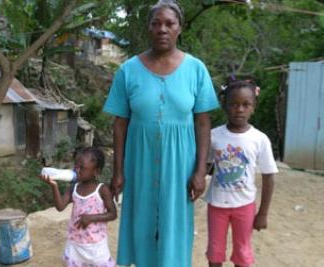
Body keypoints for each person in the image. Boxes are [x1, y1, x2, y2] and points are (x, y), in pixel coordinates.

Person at [102, 0, 219, 266]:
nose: (162, 29)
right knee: (141, 220)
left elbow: (203, 123)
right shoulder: (128, 70)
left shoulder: (196, 69)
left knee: (175, 223)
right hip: (139, 162)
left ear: (180, 28)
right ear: (148, 28)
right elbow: (120, 124)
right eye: (156, 23)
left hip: (181, 165)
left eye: (169, 23)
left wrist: (201, 171)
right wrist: (118, 170)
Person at [204, 79, 278, 267]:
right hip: (216, 205)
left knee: (242, 252)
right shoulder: (213, 136)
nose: (240, 110)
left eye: (246, 105)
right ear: (224, 105)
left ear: (254, 107)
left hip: (245, 206)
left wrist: (263, 213)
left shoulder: (259, 139)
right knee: (215, 252)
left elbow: (269, 176)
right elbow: (207, 166)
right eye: (234, 104)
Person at [39, 147, 117, 267]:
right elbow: (60, 206)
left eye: (82, 168)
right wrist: (54, 186)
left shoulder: (102, 190)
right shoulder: (73, 188)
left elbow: (113, 214)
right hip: (76, 243)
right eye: (76, 166)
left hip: (96, 245)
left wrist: (91, 218)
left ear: (96, 171)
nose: (77, 170)